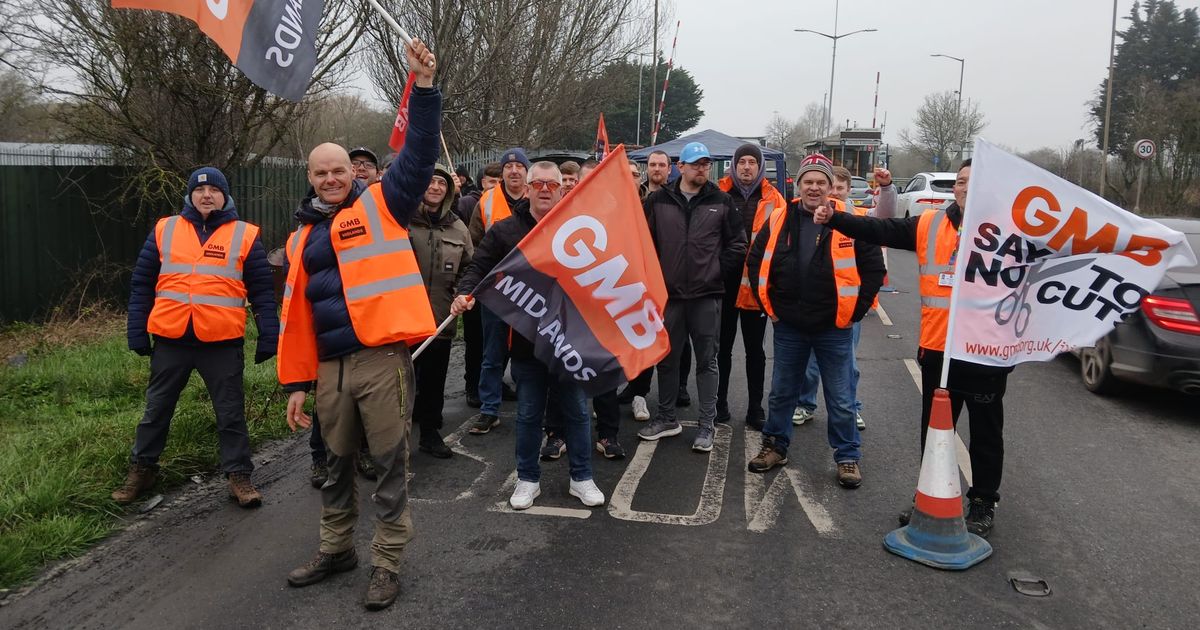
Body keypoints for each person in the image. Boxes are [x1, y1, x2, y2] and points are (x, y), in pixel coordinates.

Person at [279, 39, 440, 612]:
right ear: (310, 176)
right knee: (334, 463)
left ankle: (387, 564)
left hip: (380, 360)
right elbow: (294, 320)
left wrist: (422, 88)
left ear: (354, 171)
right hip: (329, 368)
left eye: (339, 169)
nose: (330, 178)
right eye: (320, 172)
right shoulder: (299, 239)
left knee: (391, 464)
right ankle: (336, 549)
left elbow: (418, 157)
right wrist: (296, 382)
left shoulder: (380, 205)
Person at [814, 159, 1008, 537]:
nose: (967, 187)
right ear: (955, 189)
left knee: (986, 432)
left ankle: (983, 501)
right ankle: (932, 495)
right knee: (936, 431)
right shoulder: (930, 224)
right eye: (962, 181)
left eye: (975, 182)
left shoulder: (1008, 232)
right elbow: (877, 227)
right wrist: (834, 218)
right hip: (937, 349)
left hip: (985, 352)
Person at [115, 166, 279, 508]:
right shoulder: (165, 229)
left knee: (230, 413)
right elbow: (142, 285)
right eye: (200, 190)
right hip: (171, 339)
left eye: (214, 190)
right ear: (190, 195)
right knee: (156, 410)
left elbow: (263, 291)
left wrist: (268, 335)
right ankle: (142, 469)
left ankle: (239, 475)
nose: (207, 195)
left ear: (225, 195)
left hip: (221, 342)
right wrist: (136, 331)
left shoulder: (245, 235)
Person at [450, 161, 606, 510]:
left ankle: (582, 478)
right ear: (529, 188)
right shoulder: (506, 230)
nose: (546, 190)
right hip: (526, 341)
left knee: (578, 414)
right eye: (539, 185)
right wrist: (465, 292)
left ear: (564, 189)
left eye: (553, 184)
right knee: (528, 414)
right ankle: (527, 479)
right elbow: (479, 265)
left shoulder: (578, 228)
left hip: (570, 342)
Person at [746, 154, 885, 490]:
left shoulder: (849, 218)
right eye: (808, 181)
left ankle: (847, 456)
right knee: (781, 393)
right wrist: (771, 307)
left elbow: (874, 270)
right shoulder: (780, 217)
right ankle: (775, 446)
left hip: (834, 328)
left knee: (841, 397)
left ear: (829, 188)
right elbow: (755, 261)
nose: (813, 187)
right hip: (789, 325)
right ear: (798, 184)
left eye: (820, 182)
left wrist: (854, 313)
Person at [637, 142, 746, 452]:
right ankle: (667, 417)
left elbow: (738, 245)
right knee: (667, 360)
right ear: (680, 167)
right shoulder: (658, 201)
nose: (702, 168)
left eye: (706, 163)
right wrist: (654, 278)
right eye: (695, 163)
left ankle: (706, 425)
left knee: (707, 362)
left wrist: (714, 273)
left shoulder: (721, 201)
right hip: (668, 296)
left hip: (706, 296)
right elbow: (642, 242)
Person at [792, 166, 870, 431]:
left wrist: (858, 309)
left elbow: (880, 231)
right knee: (809, 364)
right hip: (814, 309)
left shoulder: (856, 218)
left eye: (839, 188)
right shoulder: (807, 218)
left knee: (847, 364)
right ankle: (805, 403)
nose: (834, 192)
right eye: (831, 187)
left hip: (846, 310)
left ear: (847, 191)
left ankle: (852, 409)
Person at [715, 143, 786, 431]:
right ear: (733, 164)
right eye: (742, 161)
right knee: (721, 349)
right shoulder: (718, 194)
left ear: (760, 167)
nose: (746, 167)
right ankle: (718, 402)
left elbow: (783, 244)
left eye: (752, 162)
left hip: (757, 288)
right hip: (723, 284)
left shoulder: (774, 199)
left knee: (755, 351)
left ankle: (755, 407)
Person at [409, 165, 473, 459]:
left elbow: (469, 268)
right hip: (402, 319)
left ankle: (430, 433)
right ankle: (389, 437)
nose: (434, 187)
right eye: (429, 181)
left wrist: (460, 293)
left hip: (440, 318)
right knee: (401, 379)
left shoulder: (459, 229)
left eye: (441, 183)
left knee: (434, 380)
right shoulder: (401, 222)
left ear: (448, 190)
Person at [466, 149, 529, 435]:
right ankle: (489, 408)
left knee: (530, 353)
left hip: (530, 291)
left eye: (519, 166)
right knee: (492, 352)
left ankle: (531, 406)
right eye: (509, 166)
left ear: (526, 172)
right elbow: (474, 245)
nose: (514, 170)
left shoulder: (539, 198)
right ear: (501, 172)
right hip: (496, 291)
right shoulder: (486, 201)